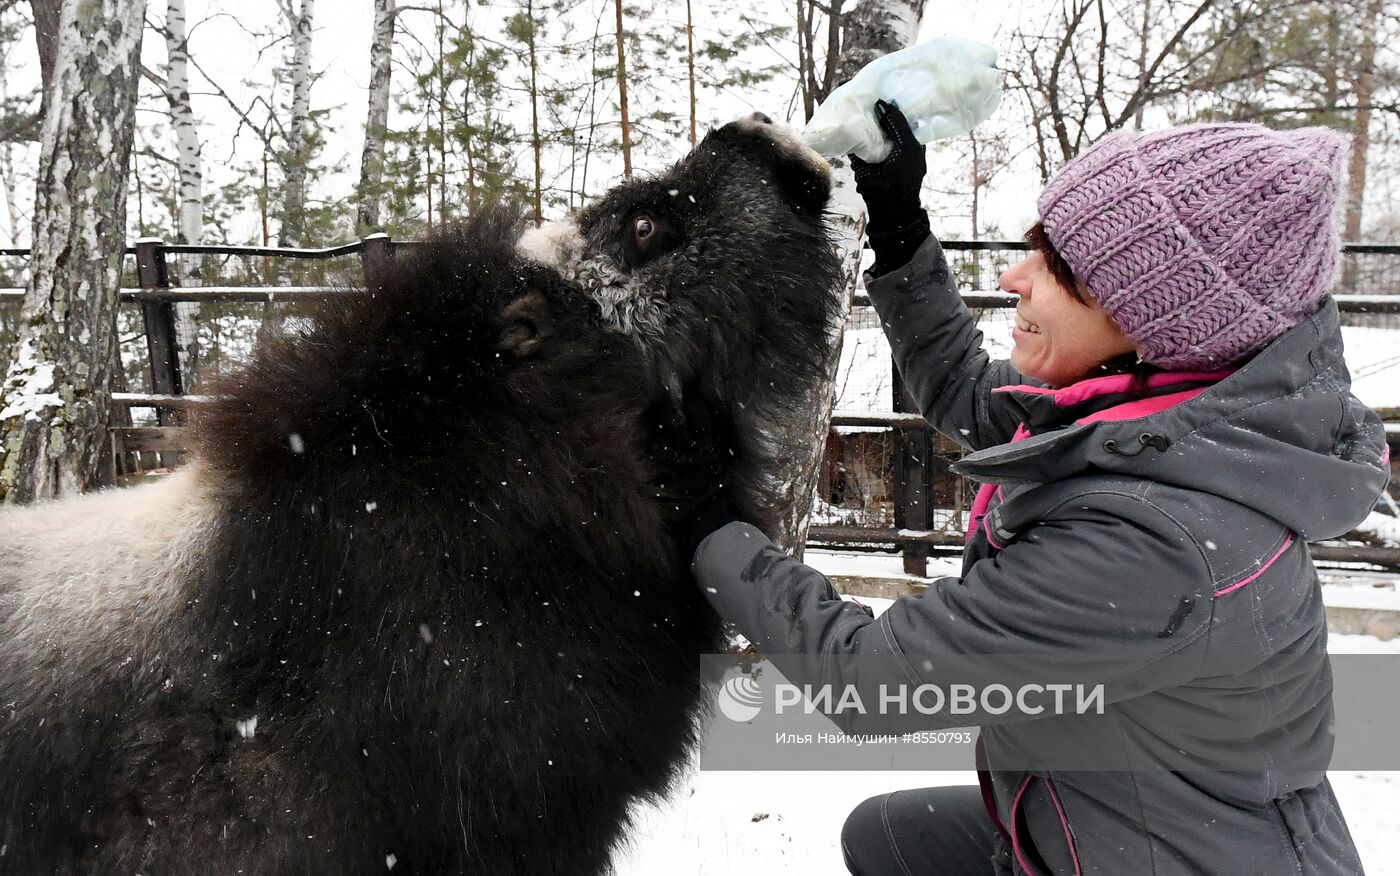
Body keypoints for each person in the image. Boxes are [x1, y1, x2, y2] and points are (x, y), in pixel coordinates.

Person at [661, 102, 1389, 874]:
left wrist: (710, 528)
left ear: (1156, 322)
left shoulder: (1152, 542)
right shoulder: (1170, 416)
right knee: (888, 837)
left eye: (1060, 269)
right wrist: (901, 227)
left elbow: (868, 678)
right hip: (1119, 815)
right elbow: (976, 394)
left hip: (1175, 855)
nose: (1014, 276)